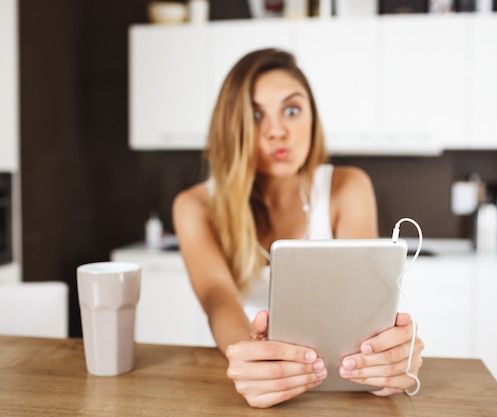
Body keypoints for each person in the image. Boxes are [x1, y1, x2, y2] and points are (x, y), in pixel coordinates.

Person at [172, 48, 424, 408]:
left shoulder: (347, 187)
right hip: (248, 383)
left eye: (292, 110)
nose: (277, 131)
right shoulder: (194, 206)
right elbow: (218, 299)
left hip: (332, 382)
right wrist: (255, 357)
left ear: (312, 117)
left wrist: (389, 357)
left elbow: (362, 307)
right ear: (232, 126)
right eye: (256, 115)